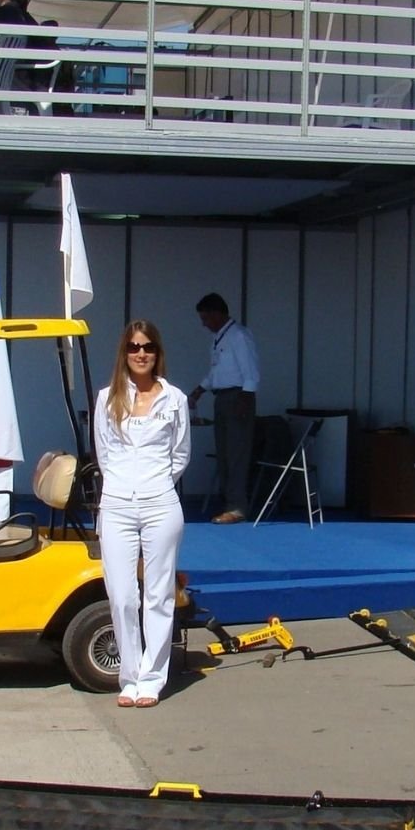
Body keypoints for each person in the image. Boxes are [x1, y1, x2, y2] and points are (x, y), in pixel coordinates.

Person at [93, 321, 190, 708]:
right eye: (134, 346)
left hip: (160, 503)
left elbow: (180, 454)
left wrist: (157, 484)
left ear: (157, 352)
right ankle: (129, 676)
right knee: (120, 594)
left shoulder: (175, 399)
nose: (140, 353)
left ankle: (151, 678)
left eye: (147, 346)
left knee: (158, 594)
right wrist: (121, 485)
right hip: (116, 503)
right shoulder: (107, 399)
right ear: (124, 352)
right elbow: (103, 452)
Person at [188, 291, 260, 523]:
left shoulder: (239, 336)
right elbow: (217, 371)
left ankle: (237, 507)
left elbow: (251, 371)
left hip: (238, 397)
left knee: (237, 453)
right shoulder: (219, 338)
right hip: (222, 397)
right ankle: (228, 501)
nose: (204, 324)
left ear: (218, 313)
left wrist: (246, 398)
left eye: (206, 318)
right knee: (225, 453)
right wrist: (199, 390)